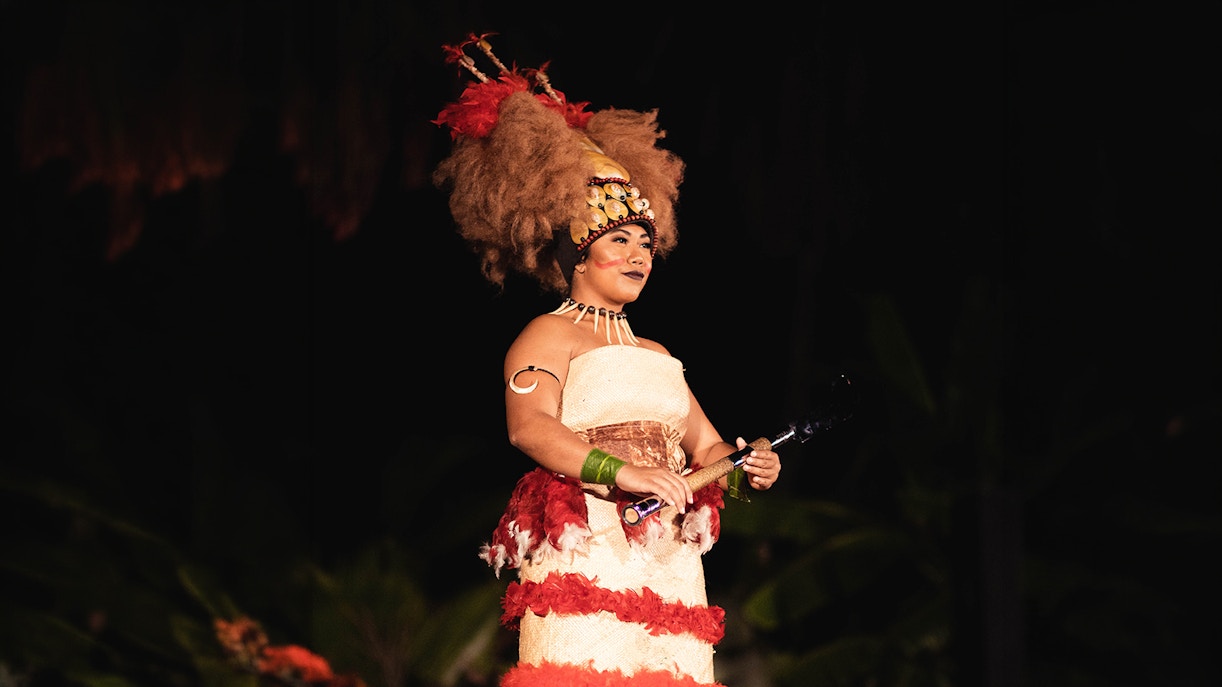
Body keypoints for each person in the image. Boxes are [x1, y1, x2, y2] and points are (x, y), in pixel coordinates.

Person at [432, 33, 782, 687]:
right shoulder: (545, 336)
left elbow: (706, 448)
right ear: (577, 254)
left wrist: (745, 466)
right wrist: (628, 472)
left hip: (669, 556)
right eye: (618, 239)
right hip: (589, 541)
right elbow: (529, 428)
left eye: (645, 242)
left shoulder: (656, 354)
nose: (638, 254)